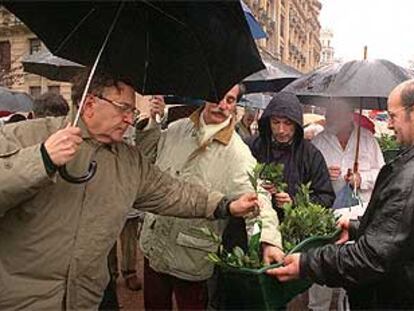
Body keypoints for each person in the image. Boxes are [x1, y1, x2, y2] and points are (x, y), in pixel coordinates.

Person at [0, 70, 260, 310]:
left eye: (131, 110)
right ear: (90, 104)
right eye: (123, 108)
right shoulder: (24, 137)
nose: (129, 118)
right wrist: (41, 160)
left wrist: (223, 205)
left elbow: (172, 192)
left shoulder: (128, 161)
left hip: (88, 300)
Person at [267, 79, 414, 310]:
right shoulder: (318, 142)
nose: (391, 124)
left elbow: (374, 255)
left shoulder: (371, 144)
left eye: (393, 116)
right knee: (321, 293)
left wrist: (360, 178)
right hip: (338, 219)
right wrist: (356, 226)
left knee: (349, 277)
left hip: (369, 233)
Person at [135, 85, 283, 310]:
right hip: (154, 243)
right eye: (217, 97)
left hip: (191, 255)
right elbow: (146, 157)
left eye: (230, 100)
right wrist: (153, 121)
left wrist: (269, 241)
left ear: (235, 106)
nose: (222, 105)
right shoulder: (177, 129)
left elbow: (258, 199)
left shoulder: (238, 154)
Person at [309, 103, 385, 310]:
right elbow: (307, 177)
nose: (329, 116)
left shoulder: (367, 140)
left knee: (352, 267)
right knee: (321, 264)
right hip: (326, 215)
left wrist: (362, 178)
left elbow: (382, 174)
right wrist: (322, 172)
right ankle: (318, 308)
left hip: (358, 217)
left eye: (334, 112)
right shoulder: (318, 141)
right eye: (328, 112)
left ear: (348, 114)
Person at [248, 92, 335, 220]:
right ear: (268, 122)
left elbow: (326, 197)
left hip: (293, 229)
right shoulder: (251, 146)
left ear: (296, 124)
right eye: (276, 122)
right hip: (251, 225)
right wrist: (256, 187)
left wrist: (294, 202)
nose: (281, 130)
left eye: (287, 123)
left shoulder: (311, 155)